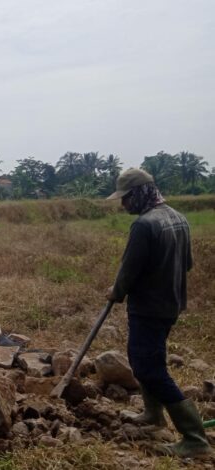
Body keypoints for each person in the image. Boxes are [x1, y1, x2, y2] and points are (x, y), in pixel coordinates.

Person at [106, 168, 210, 458]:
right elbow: (187, 264)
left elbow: (127, 273)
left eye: (125, 198)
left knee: (148, 368)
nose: (123, 204)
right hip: (171, 305)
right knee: (149, 360)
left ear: (139, 194)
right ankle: (153, 415)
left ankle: (194, 438)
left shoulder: (144, 225)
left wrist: (116, 291)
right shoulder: (178, 218)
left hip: (149, 309)